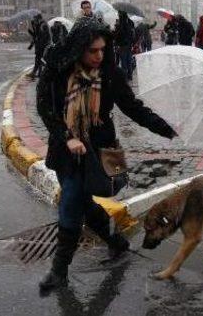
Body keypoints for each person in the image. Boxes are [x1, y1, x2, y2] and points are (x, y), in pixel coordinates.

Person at [36, 18, 177, 294]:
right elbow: (45, 108)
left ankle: (58, 271)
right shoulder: (58, 69)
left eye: (103, 49)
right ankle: (116, 242)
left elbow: (133, 107)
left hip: (100, 148)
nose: (100, 55)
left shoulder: (110, 73)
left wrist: (166, 129)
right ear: (79, 49)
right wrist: (68, 137)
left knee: (71, 202)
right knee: (80, 201)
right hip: (67, 150)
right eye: (93, 51)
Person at [113, 10, 135, 81]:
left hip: (122, 45)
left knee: (124, 62)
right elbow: (132, 34)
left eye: (119, 14)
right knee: (129, 60)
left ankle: (124, 77)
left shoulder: (121, 23)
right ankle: (130, 75)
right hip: (129, 45)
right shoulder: (130, 22)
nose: (118, 15)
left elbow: (118, 35)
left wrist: (115, 30)